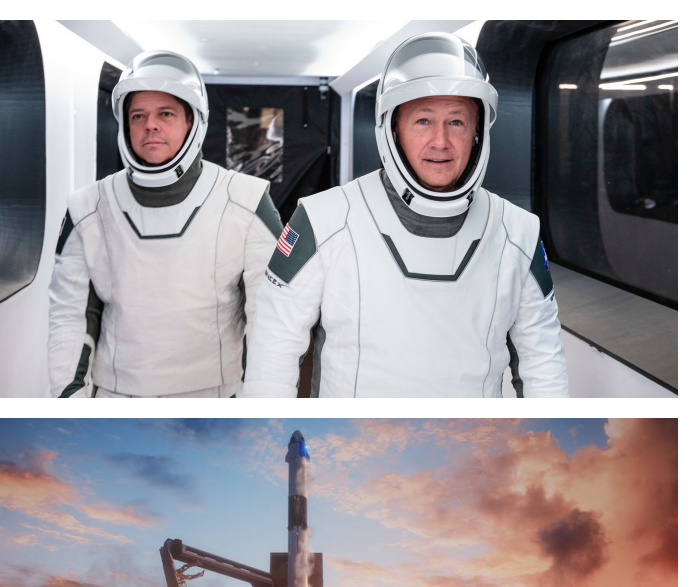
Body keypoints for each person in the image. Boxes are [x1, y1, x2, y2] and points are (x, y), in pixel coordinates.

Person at [243, 33, 569, 397]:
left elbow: (542, 364)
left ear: (479, 130)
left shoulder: (518, 232)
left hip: (476, 448)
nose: (441, 141)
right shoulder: (324, 220)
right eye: (423, 121)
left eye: (457, 122)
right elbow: (274, 347)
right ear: (393, 127)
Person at [48, 50, 282, 397]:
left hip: (215, 391)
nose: (150, 125)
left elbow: (272, 316)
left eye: (166, 113)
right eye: (138, 115)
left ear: (192, 121)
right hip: (116, 390)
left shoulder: (245, 199)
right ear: (125, 126)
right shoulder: (88, 206)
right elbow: (70, 315)